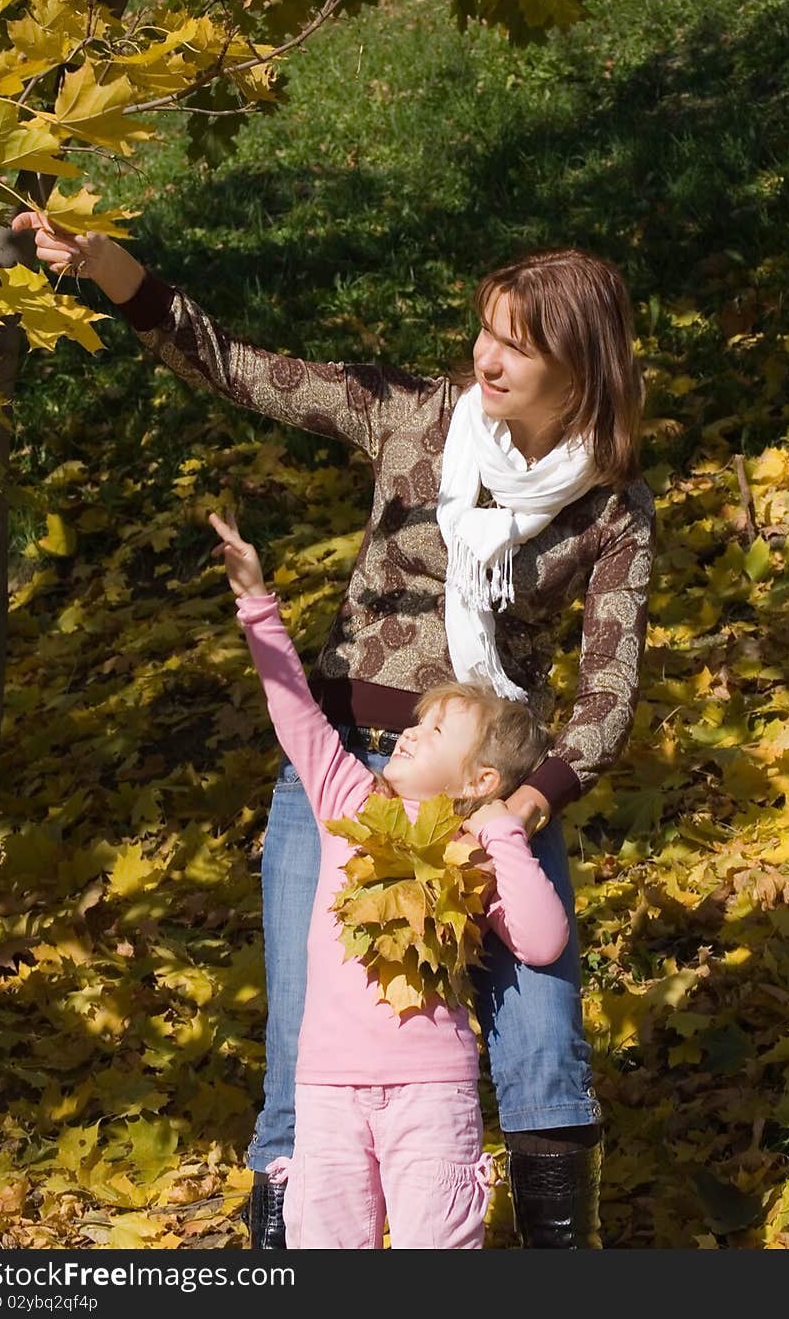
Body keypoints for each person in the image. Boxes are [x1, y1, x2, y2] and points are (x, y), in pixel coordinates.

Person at [14, 210, 656, 1249]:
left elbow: (608, 687)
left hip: (487, 789)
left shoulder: (613, 508)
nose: (485, 355)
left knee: (542, 1042)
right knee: (301, 1056)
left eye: (515, 342)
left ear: (578, 368)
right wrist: (109, 271)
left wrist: (529, 800)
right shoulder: (413, 416)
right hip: (346, 779)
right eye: (485, 330)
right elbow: (236, 366)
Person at [207, 508, 568, 1248]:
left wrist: (501, 826)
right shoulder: (347, 800)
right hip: (328, 1090)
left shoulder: (475, 845)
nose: (410, 730)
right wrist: (255, 601)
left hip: (433, 1094)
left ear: (480, 777)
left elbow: (540, 938)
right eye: (419, 721)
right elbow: (297, 715)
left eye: (436, 731)